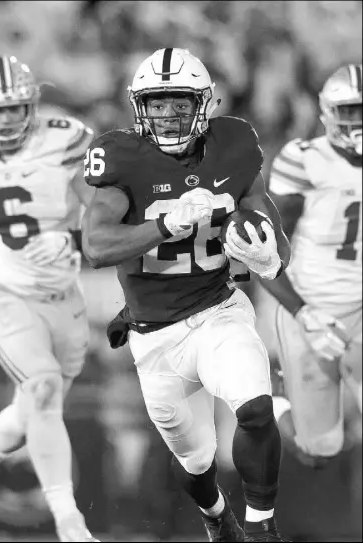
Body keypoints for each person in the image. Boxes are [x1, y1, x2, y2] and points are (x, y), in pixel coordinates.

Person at [82, 48, 291, 542]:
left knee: (256, 408)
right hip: (154, 334)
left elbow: (261, 212)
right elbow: (95, 246)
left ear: (204, 104)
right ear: (140, 108)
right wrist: (166, 224)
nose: (169, 114)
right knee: (194, 463)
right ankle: (217, 516)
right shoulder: (121, 157)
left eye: (179, 103)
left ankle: (262, 527)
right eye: (157, 104)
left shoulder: (234, 143)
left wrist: (270, 256)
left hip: (219, 308)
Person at [0, 55, 98, 542]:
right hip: (4, 292)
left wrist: (75, 240)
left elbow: (104, 208)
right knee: (45, 389)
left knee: (29, 412)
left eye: (14, 109)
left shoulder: (66, 137)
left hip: (64, 295)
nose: (6, 119)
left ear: (32, 104)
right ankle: (68, 518)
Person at [259, 64, 362, 469]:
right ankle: (274, 396)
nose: (359, 121)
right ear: (328, 113)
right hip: (313, 305)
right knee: (315, 449)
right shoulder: (304, 159)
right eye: (350, 111)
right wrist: (302, 311)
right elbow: (264, 249)